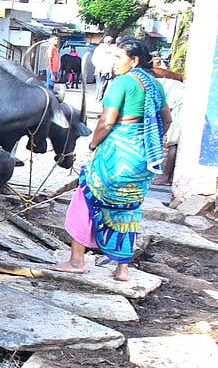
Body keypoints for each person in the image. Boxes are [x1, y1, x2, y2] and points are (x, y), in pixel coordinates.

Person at [51, 38, 173, 282]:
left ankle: (76, 260)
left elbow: (106, 122)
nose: (113, 63)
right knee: (127, 209)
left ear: (134, 60)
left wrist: (93, 144)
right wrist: (145, 138)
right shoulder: (155, 85)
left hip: (116, 154)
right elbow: (166, 121)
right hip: (141, 158)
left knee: (85, 198)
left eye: (118, 58)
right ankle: (122, 268)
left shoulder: (122, 83)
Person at [91, 35, 116, 103]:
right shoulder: (102, 49)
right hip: (103, 69)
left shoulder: (99, 48)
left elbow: (93, 59)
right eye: (109, 42)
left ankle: (98, 98)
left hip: (102, 69)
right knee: (102, 85)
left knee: (100, 84)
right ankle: (99, 98)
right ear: (108, 42)